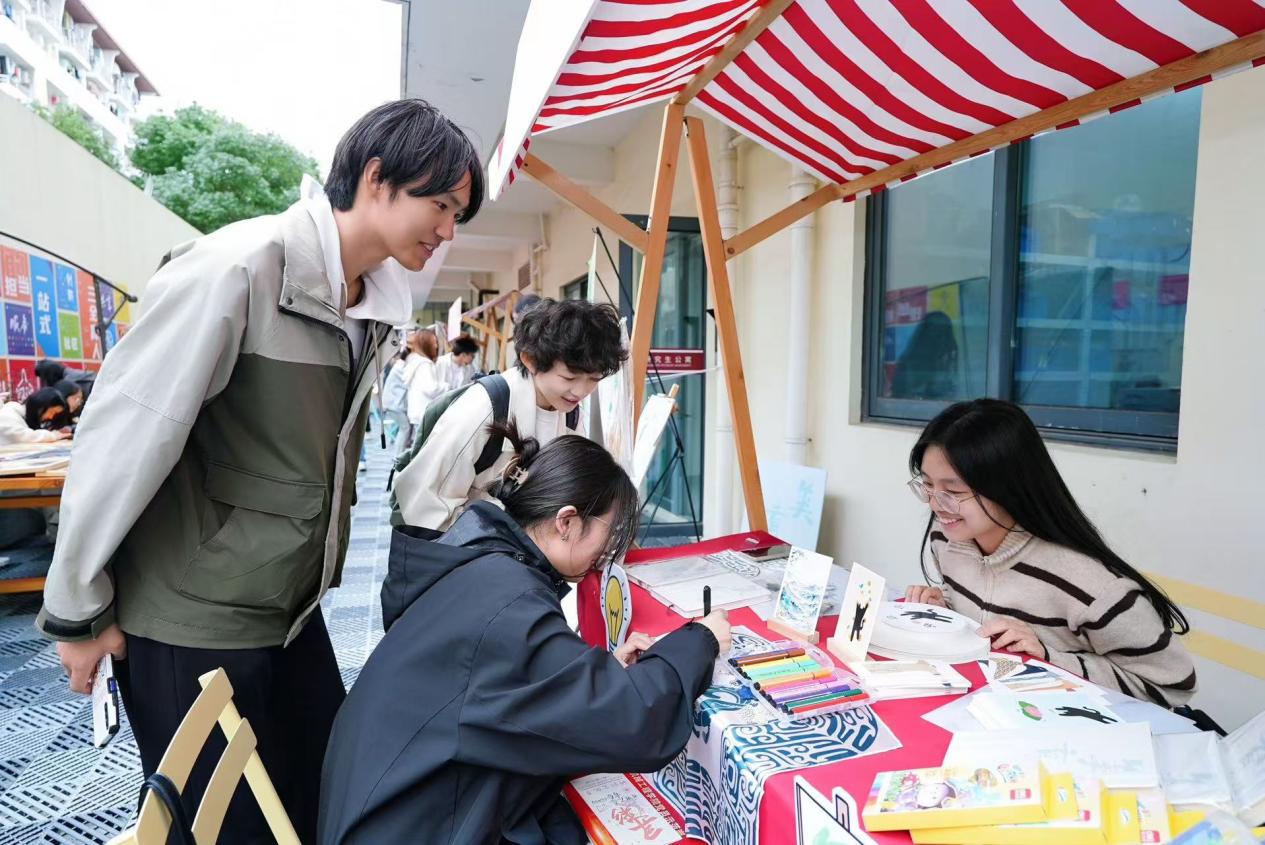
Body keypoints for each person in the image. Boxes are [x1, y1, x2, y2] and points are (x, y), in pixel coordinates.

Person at [36, 98, 484, 841]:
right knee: (223, 828)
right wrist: (78, 611)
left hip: (288, 609)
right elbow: (121, 438)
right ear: (376, 178)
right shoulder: (236, 270)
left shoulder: (369, 302)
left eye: (458, 215)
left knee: (321, 802)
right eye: (439, 205)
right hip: (192, 616)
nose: (447, 231)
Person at [319, 424, 729, 844]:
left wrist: (600, 672)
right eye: (607, 535)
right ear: (566, 521)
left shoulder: (485, 563)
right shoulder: (511, 603)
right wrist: (700, 640)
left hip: (392, 806)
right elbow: (633, 720)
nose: (605, 555)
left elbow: (515, 682)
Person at [904, 399, 1196, 707]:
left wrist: (1048, 657)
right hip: (987, 712)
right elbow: (983, 604)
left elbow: (1173, 686)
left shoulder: (1089, 585)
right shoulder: (947, 540)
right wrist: (944, 608)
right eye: (927, 485)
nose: (935, 504)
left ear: (1007, 486)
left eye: (953, 491)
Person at [393, 298, 624, 531]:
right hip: (476, 545)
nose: (581, 391)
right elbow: (425, 505)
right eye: (569, 377)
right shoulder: (482, 409)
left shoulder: (570, 413)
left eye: (594, 379)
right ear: (530, 360)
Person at [1, 388, 71, 444]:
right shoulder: (8, 415)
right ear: (41, 406)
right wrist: (54, 435)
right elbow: (25, 436)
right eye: (51, 412)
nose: (51, 417)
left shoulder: (22, 415)